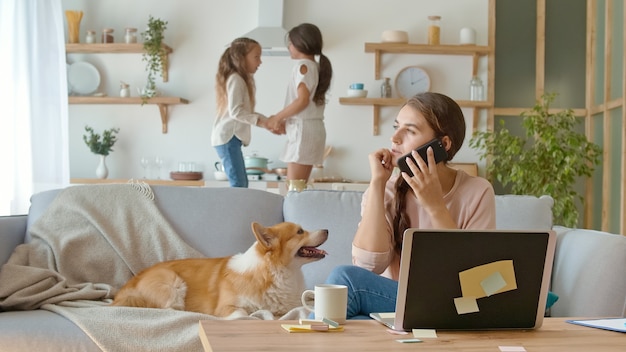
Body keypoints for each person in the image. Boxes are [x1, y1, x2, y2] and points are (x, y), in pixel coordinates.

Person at [325, 92, 497, 319]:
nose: (395, 138)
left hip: (456, 306)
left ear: (442, 144)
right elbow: (368, 266)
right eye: (396, 127)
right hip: (398, 307)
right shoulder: (384, 190)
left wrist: (436, 207)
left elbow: (473, 279)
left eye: (410, 131)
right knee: (356, 319)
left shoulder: (478, 191)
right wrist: (377, 184)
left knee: (345, 280)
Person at [266, 23, 333, 182]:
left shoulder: (303, 66)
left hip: (303, 132)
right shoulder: (315, 66)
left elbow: (302, 101)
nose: (289, 47)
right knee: (298, 187)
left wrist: (277, 118)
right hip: (311, 130)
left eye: (290, 43)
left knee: (294, 188)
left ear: (300, 43)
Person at [211, 37, 271, 188]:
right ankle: (236, 212)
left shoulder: (237, 79)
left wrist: (268, 121)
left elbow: (244, 112)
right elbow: (236, 112)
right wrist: (263, 122)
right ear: (241, 58)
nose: (260, 62)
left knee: (240, 184)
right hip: (228, 138)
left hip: (229, 139)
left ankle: (237, 212)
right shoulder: (236, 79)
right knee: (239, 185)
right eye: (256, 57)